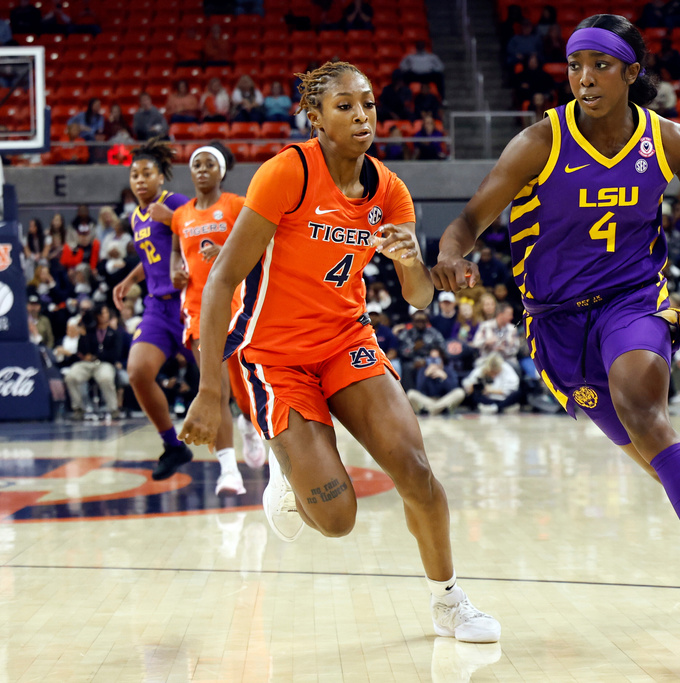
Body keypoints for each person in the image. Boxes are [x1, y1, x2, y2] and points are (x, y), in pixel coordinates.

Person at [430, 14, 680, 649]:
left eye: (601, 65)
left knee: (644, 409)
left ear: (631, 73)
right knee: (655, 455)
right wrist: (452, 253)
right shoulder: (539, 142)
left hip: (633, 301)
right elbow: (470, 219)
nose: (584, 78)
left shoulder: (671, 142)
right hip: (556, 322)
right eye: (575, 66)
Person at [177, 61, 499, 643]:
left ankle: (449, 602)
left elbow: (419, 297)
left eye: (368, 104)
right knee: (336, 518)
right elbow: (222, 279)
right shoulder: (287, 172)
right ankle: (287, 468)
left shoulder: (390, 190)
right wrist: (209, 389)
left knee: (415, 470)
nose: (361, 116)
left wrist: (409, 259)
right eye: (345, 106)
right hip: (274, 356)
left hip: (346, 341)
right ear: (316, 118)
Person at [169, 143, 266, 495]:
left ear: (222, 171)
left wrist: (226, 252)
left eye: (210, 164)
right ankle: (228, 471)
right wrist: (175, 273)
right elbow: (176, 252)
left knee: (245, 391)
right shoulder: (181, 215)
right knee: (216, 390)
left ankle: (250, 426)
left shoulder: (237, 205)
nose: (202, 169)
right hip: (199, 310)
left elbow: (260, 244)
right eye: (197, 164)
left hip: (239, 307)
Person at [111, 138, 193, 479]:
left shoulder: (174, 202)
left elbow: (202, 232)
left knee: (225, 384)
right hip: (157, 307)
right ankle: (173, 446)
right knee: (137, 372)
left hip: (189, 303)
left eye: (147, 173)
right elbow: (152, 258)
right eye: (135, 175)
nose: (140, 180)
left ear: (161, 177)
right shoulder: (136, 217)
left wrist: (173, 219)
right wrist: (129, 279)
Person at [64, 304, 123, 420]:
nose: (104, 315)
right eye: (102, 313)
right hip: (87, 364)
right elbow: (82, 351)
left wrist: (96, 356)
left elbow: (115, 354)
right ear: (96, 316)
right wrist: (84, 335)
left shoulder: (114, 333)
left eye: (106, 313)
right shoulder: (89, 331)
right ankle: (78, 409)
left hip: (105, 363)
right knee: (70, 377)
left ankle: (113, 409)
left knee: (105, 378)